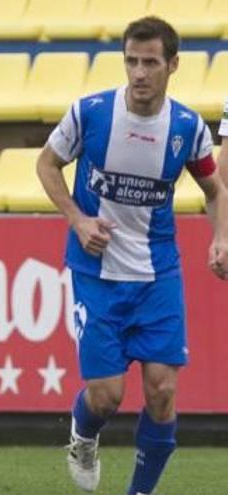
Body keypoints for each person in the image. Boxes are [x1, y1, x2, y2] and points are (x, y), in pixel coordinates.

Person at [36, 16, 228, 495]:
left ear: (173, 65)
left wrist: (221, 236)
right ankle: (83, 436)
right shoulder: (91, 113)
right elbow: (46, 164)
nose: (139, 73)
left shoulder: (187, 128)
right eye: (131, 61)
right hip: (97, 273)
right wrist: (78, 219)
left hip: (157, 272)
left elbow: (214, 189)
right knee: (106, 397)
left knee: (162, 391)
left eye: (150, 63)